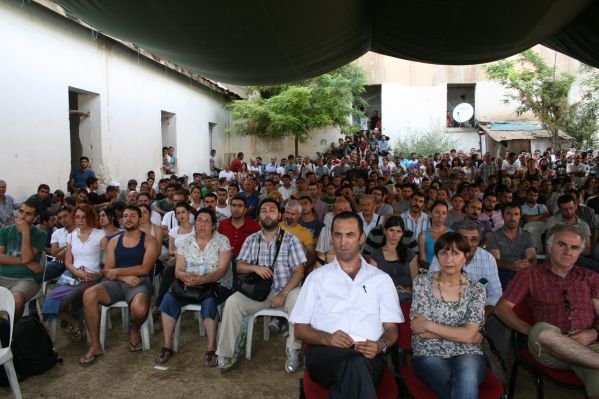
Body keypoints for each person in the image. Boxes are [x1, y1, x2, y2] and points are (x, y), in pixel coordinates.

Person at [291, 211, 402, 399]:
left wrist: (380, 345)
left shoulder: (381, 280)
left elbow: (392, 329)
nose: (343, 242)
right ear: (331, 237)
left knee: (354, 368)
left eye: (350, 235)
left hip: (370, 356)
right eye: (338, 235)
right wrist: (327, 339)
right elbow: (299, 330)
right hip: (325, 353)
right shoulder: (317, 278)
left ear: (361, 238)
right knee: (355, 366)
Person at [495, 224, 599, 398]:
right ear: (549, 248)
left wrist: (593, 332)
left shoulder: (591, 277)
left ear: (580, 252)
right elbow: (501, 309)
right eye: (562, 245)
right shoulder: (529, 274)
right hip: (549, 348)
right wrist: (531, 331)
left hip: (589, 348)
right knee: (542, 330)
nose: (568, 251)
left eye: (574, 247)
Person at [217, 199, 307, 374]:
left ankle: (293, 350)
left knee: (298, 298)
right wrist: (254, 268)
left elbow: (299, 271)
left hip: (286, 291)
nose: (267, 214)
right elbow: (239, 265)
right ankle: (227, 353)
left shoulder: (291, 240)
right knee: (232, 302)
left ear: (279, 215)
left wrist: (283, 293)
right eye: (264, 210)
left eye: (272, 210)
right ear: (259, 215)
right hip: (259, 293)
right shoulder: (252, 240)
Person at [79, 205, 159, 365]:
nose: (128, 219)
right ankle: (95, 345)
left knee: (139, 309)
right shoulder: (114, 241)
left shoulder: (150, 241)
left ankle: (134, 329)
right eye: (125, 216)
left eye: (132, 216)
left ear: (141, 219)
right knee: (89, 295)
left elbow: (144, 269)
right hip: (116, 283)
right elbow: (108, 271)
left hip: (139, 283)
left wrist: (119, 272)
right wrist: (123, 277)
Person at [410, 232, 486, 399]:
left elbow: (426, 329)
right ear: (437, 256)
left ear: (466, 256)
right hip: (428, 353)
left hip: (468, 352)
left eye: (455, 253)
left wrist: (429, 325)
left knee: (465, 377)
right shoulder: (422, 283)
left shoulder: (476, 289)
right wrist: (465, 334)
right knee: (463, 384)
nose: (448, 259)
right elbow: (418, 330)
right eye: (443, 253)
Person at [155, 208, 233, 366]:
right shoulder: (186, 242)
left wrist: (203, 280)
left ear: (213, 225)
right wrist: (186, 277)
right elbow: (178, 270)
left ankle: (211, 348)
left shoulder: (222, 241)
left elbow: (221, 271)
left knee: (209, 302)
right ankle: (167, 345)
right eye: (199, 220)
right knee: (168, 299)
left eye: (207, 221)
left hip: (215, 284)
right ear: (194, 223)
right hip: (189, 285)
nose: (202, 224)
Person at [42, 204, 105, 341]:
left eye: (84, 217)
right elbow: (68, 262)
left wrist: (101, 273)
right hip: (72, 275)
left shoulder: (100, 235)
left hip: (92, 276)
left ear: (90, 218)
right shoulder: (71, 236)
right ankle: (75, 321)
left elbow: (109, 259)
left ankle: (83, 323)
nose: (80, 220)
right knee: (51, 299)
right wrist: (77, 272)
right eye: (77, 217)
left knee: (70, 300)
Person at [0, 200, 47, 319]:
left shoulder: (40, 234)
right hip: (2, 276)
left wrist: (26, 232)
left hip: (25, 279)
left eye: (28, 214)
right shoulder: (4, 231)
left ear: (35, 218)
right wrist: (27, 262)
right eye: (20, 211)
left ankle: (10, 332)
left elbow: (27, 258)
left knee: (17, 300)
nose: (22, 216)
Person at [368, 216, 418, 303]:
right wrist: (392, 289)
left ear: (402, 233)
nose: (394, 235)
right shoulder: (375, 255)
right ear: (385, 231)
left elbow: (416, 282)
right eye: (391, 230)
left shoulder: (410, 254)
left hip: (408, 298)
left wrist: (407, 292)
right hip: (384, 298)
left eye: (398, 231)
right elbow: (373, 283)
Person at [486, 202, 537, 289]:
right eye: (509, 214)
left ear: (520, 216)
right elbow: (495, 261)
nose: (512, 218)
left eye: (516, 214)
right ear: (502, 215)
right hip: (502, 273)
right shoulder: (494, 236)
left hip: (523, 272)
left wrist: (528, 263)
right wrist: (509, 266)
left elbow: (532, 258)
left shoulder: (528, 235)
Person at [217, 196, 260, 286]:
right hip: (226, 262)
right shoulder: (223, 224)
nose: (236, 209)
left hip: (246, 263)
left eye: (240, 206)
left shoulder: (255, 226)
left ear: (245, 209)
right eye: (233, 205)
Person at [418, 201, 451, 268]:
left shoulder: (452, 234)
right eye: (437, 212)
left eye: (444, 213)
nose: (440, 216)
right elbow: (422, 260)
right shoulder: (423, 235)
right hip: (429, 272)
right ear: (430, 214)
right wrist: (434, 269)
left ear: (446, 215)